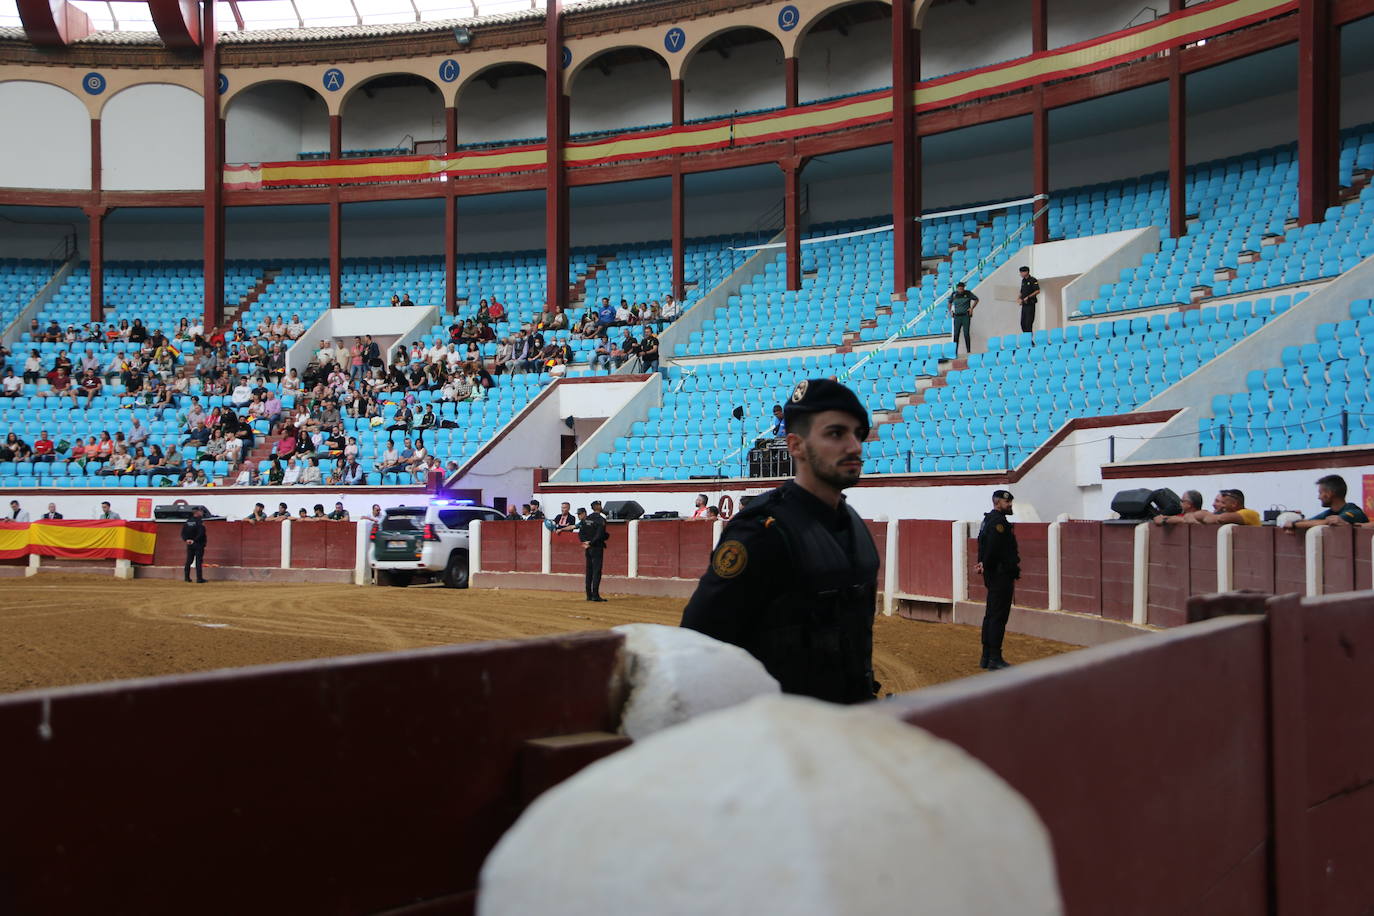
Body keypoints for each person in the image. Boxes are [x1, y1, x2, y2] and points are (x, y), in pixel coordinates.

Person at [681, 378, 880, 704]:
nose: (855, 446)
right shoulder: (762, 530)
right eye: (836, 433)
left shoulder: (852, 522)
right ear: (795, 445)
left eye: (859, 434)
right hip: (778, 735)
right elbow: (701, 640)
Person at [975, 490, 1019, 671]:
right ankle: (994, 657)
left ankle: (986, 656)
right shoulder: (999, 522)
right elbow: (992, 547)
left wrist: (982, 562)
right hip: (1000, 574)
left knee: (991, 614)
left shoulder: (988, 520)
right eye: (1006, 502)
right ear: (997, 502)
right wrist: (986, 563)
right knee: (998, 616)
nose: (1009, 505)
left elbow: (982, 542)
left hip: (993, 573)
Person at [1284, 474, 1369, 529]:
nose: (1319, 497)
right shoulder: (1330, 512)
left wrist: (1294, 524)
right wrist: (1295, 523)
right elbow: (1310, 521)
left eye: (1320, 493)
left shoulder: (1353, 511)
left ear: (1329, 494)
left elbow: (1329, 522)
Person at [579, 499, 609, 602]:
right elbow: (599, 534)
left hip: (588, 548)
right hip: (596, 547)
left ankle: (588, 595)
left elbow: (581, 532)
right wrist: (591, 543)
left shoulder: (586, 519)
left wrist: (585, 542)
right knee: (596, 571)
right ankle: (595, 595)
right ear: (598, 507)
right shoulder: (600, 520)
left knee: (589, 571)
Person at [1195, 489, 1261, 526]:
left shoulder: (1249, 513)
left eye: (1224, 503)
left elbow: (1222, 518)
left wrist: (1206, 516)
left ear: (1234, 504)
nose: (1222, 506)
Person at [949, 282, 978, 355]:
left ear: (964, 288)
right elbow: (949, 302)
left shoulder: (968, 293)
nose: (960, 290)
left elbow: (976, 299)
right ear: (957, 288)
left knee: (966, 333)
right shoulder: (954, 294)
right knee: (956, 334)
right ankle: (954, 352)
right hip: (957, 316)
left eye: (962, 288)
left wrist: (971, 308)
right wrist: (951, 311)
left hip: (965, 315)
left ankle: (968, 351)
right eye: (959, 289)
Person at [182, 506, 208, 583]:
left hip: (189, 543)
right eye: (201, 511)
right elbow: (201, 533)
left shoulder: (188, 521)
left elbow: (183, 533)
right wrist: (194, 540)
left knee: (189, 560)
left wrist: (187, 540)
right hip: (198, 543)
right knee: (198, 561)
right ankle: (199, 578)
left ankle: (187, 577)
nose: (202, 513)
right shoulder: (200, 522)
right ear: (197, 512)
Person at [1017, 265, 1040, 334]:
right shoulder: (1023, 281)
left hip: (1030, 304)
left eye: (1021, 272)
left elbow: (1037, 291)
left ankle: (1030, 340)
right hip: (1024, 304)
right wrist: (1018, 298)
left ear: (1026, 272)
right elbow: (1022, 291)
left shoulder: (1033, 280)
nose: (1020, 274)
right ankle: (1026, 338)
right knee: (1022, 323)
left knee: (1028, 323)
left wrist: (1029, 297)